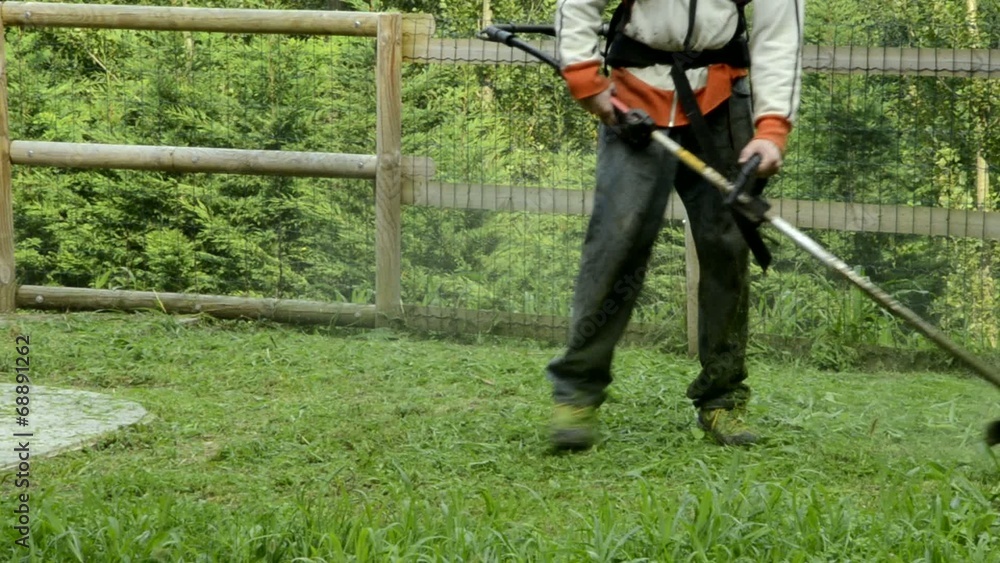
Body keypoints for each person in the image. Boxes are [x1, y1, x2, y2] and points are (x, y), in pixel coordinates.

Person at [547, 0, 804, 449]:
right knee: (617, 241)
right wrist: (585, 76)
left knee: (727, 246)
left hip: (722, 99)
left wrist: (772, 126)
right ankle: (577, 394)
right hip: (633, 98)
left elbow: (779, 32)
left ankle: (722, 396)